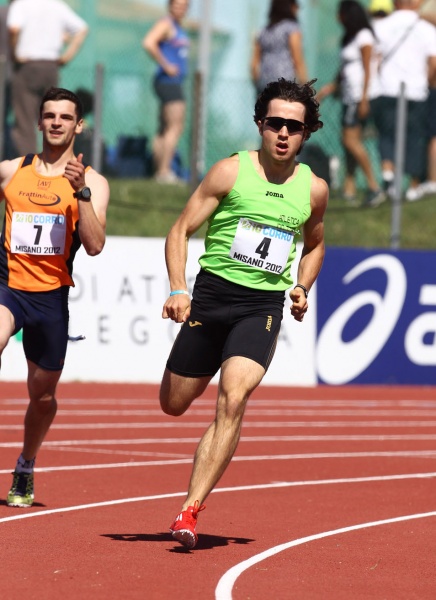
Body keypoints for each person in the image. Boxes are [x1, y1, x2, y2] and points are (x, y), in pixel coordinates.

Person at [160, 77, 328, 549]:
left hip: (260, 308)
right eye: (274, 123)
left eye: (293, 127)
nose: (283, 133)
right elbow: (180, 230)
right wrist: (178, 288)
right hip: (212, 298)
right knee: (173, 403)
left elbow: (315, 244)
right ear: (259, 125)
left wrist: (302, 285)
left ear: (306, 133)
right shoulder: (229, 172)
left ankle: (190, 509)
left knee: (233, 399)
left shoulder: (314, 189)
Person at [0, 87, 110, 507]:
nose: (57, 123)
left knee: (42, 396)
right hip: (8, 286)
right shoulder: (12, 171)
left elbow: (95, 245)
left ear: (78, 126)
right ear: (39, 122)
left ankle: (26, 464)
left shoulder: (93, 182)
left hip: (50, 299)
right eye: (50, 116)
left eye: (66, 117)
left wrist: (81, 194)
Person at [317, 0, 385, 207]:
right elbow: (345, 68)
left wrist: (363, 99)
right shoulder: (350, 37)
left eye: (341, 14)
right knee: (348, 141)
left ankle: (374, 186)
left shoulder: (364, 36)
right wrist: (331, 87)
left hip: (360, 96)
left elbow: (368, 68)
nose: (338, 18)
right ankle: (349, 188)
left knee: (350, 140)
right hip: (349, 96)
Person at [371, 0, 436, 200]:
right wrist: (425, 81)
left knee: (387, 135)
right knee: (414, 138)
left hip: (387, 89)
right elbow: (433, 62)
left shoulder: (381, 26)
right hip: (416, 92)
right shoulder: (426, 28)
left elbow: (375, 58)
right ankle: (413, 185)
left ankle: (389, 177)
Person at [6, 0, 88, 156]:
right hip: (51, 67)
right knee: (53, 118)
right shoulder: (57, 5)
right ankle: (54, 161)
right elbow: (82, 28)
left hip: (27, 66)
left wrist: (14, 54)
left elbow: (13, 29)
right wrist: (67, 56)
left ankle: (28, 163)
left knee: (25, 122)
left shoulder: (21, 4)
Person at [142, 0, 190, 184]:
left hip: (172, 83)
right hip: (168, 83)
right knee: (175, 127)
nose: (181, 9)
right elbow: (149, 42)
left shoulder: (177, 26)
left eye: (184, 5)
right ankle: (164, 171)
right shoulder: (166, 24)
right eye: (177, 4)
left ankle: (158, 171)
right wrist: (166, 65)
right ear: (170, 5)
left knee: (164, 128)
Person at [251, 0, 308, 95]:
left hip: (264, 84)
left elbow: (253, 66)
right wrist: (305, 87)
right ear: (289, 7)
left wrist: (257, 85)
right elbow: (298, 61)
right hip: (285, 84)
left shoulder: (263, 31)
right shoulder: (292, 29)